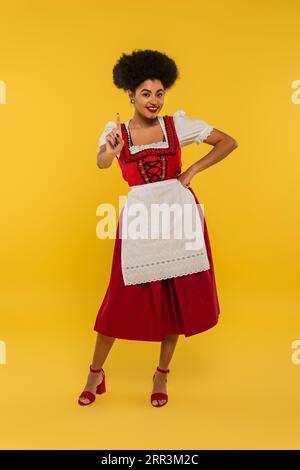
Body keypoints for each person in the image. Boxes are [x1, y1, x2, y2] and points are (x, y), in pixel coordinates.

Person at [78, 49, 238, 408]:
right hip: (139, 218)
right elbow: (102, 163)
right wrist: (111, 149)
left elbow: (228, 141)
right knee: (118, 298)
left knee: (174, 298)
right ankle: (95, 372)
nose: (154, 100)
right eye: (146, 93)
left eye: (160, 93)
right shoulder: (116, 131)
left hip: (178, 214)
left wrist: (193, 171)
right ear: (130, 95)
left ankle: (161, 374)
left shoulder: (177, 126)